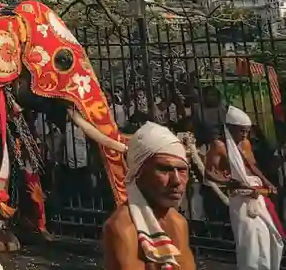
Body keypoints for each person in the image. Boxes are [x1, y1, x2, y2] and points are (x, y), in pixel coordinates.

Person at [102, 122, 195, 270]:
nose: (177, 181)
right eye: (165, 170)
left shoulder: (178, 223)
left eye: (182, 170)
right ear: (138, 173)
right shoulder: (122, 228)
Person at [205, 106, 283, 269]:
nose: (245, 135)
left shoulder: (245, 143)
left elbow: (252, 167)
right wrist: (228, 183)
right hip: (240, 199)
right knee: (250, 241)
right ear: (230, 129)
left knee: (269, 236)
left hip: (256, 194)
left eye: (247, 131)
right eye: (241, 131)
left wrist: (266, 182)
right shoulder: (219, 145)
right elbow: (209, 174)